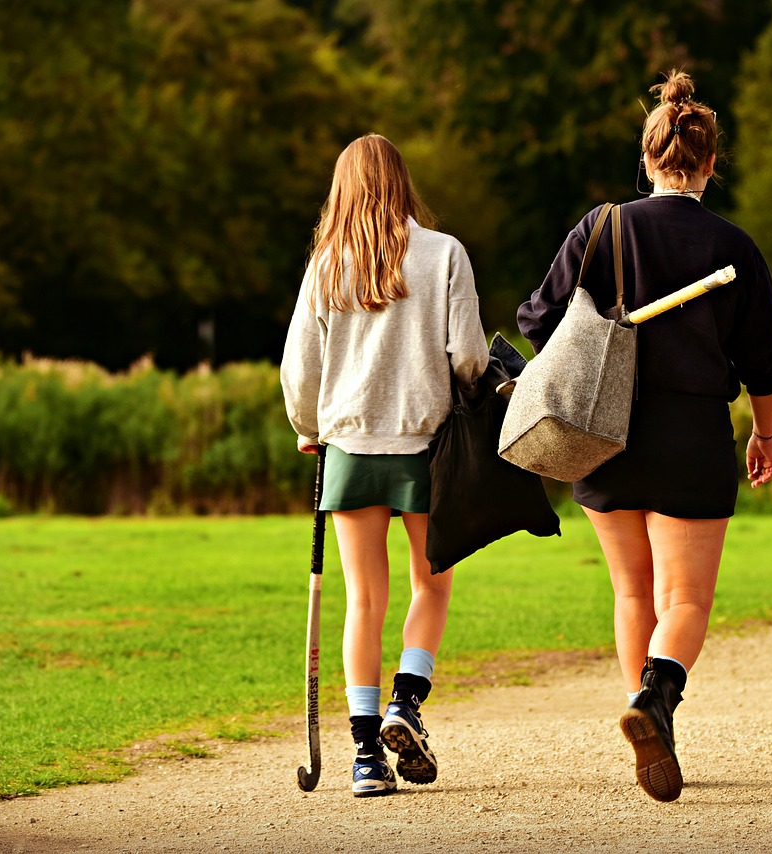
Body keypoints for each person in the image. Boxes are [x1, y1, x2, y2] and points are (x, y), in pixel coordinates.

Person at [517, 69, 772, 803]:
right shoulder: (735, 245)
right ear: (708, 163)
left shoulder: (600, 227)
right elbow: (763, 358)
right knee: (687, 599)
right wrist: (764, 432)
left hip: (603, 434)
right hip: (693, 435)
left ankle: (648, 716)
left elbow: (536, 320)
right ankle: (656, 700)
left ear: (649, 157)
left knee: (633, 590)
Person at [281, 133, 489, 797]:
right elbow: (469, 359)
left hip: (347, 450)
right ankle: (407, 699)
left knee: (363, 600)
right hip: (424, 448)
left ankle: (366, 757)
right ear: (402, 182)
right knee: (431, 585)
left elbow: (299, 371)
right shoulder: (443, 253)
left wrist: (309, 430)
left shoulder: (326, 265)